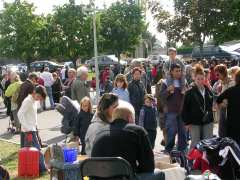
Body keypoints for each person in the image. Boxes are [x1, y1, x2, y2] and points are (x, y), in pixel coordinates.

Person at [91, 103, 164, 180]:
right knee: (159, 174)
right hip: (125, 177)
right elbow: (148, 166)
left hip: (100, 178)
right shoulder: (138, 131)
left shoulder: (99, 133)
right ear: (130, 118)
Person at [182, 64, 214, 149]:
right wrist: (187, 122)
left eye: (202, 79)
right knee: (195, 142)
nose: (200, 81)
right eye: (198, 79)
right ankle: (190, 161)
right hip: (194, 121)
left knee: (208, 142)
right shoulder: (189, 92)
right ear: (194, 79)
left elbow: (211, 104)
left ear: (205, 79)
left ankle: (205, 161)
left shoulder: (208, 91)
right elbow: (184, 108)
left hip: (208, 120)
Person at [17, 85, 47, 173]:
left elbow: (31, 115)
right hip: (29, 130)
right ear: (34, 92)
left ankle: (28, 169)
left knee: (26, 150)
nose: (38, 99)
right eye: (38, 97)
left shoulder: (33, 100)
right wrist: (27, 127)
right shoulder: (28, 101)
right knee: (37, 150)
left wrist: (35, 126)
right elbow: (20, 114)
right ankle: (42, 169)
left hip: (30, 129)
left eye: (40, 98)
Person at [160, 64, 187, 153]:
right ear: (171, 71)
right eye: (176, 71)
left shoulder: (184, 82)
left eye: (179, 71)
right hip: (171, 111)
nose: (178, 72)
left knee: (183, 132)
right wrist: (168, 90)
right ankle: (168, 150)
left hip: (182, 110)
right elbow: (161, 96)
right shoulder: (165, 82)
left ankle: (182, 152)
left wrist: (186, 92)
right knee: (171, 132)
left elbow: (186, 96)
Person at [216, 70, 240, 145]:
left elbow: (218, 99)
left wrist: (223, 105)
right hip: (233, 124)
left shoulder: (230, 90)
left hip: (232, 124)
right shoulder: (230, 90)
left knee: (233, 149)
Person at [213, 64, 235, 137]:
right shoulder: (221, 82)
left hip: (229, 111)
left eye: (218, 74)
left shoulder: (232, 83)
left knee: (227, 132)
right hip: (222, 110)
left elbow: (230, 99)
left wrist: (220, 103)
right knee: (221, 131)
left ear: (223, 73)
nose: (217, 77)